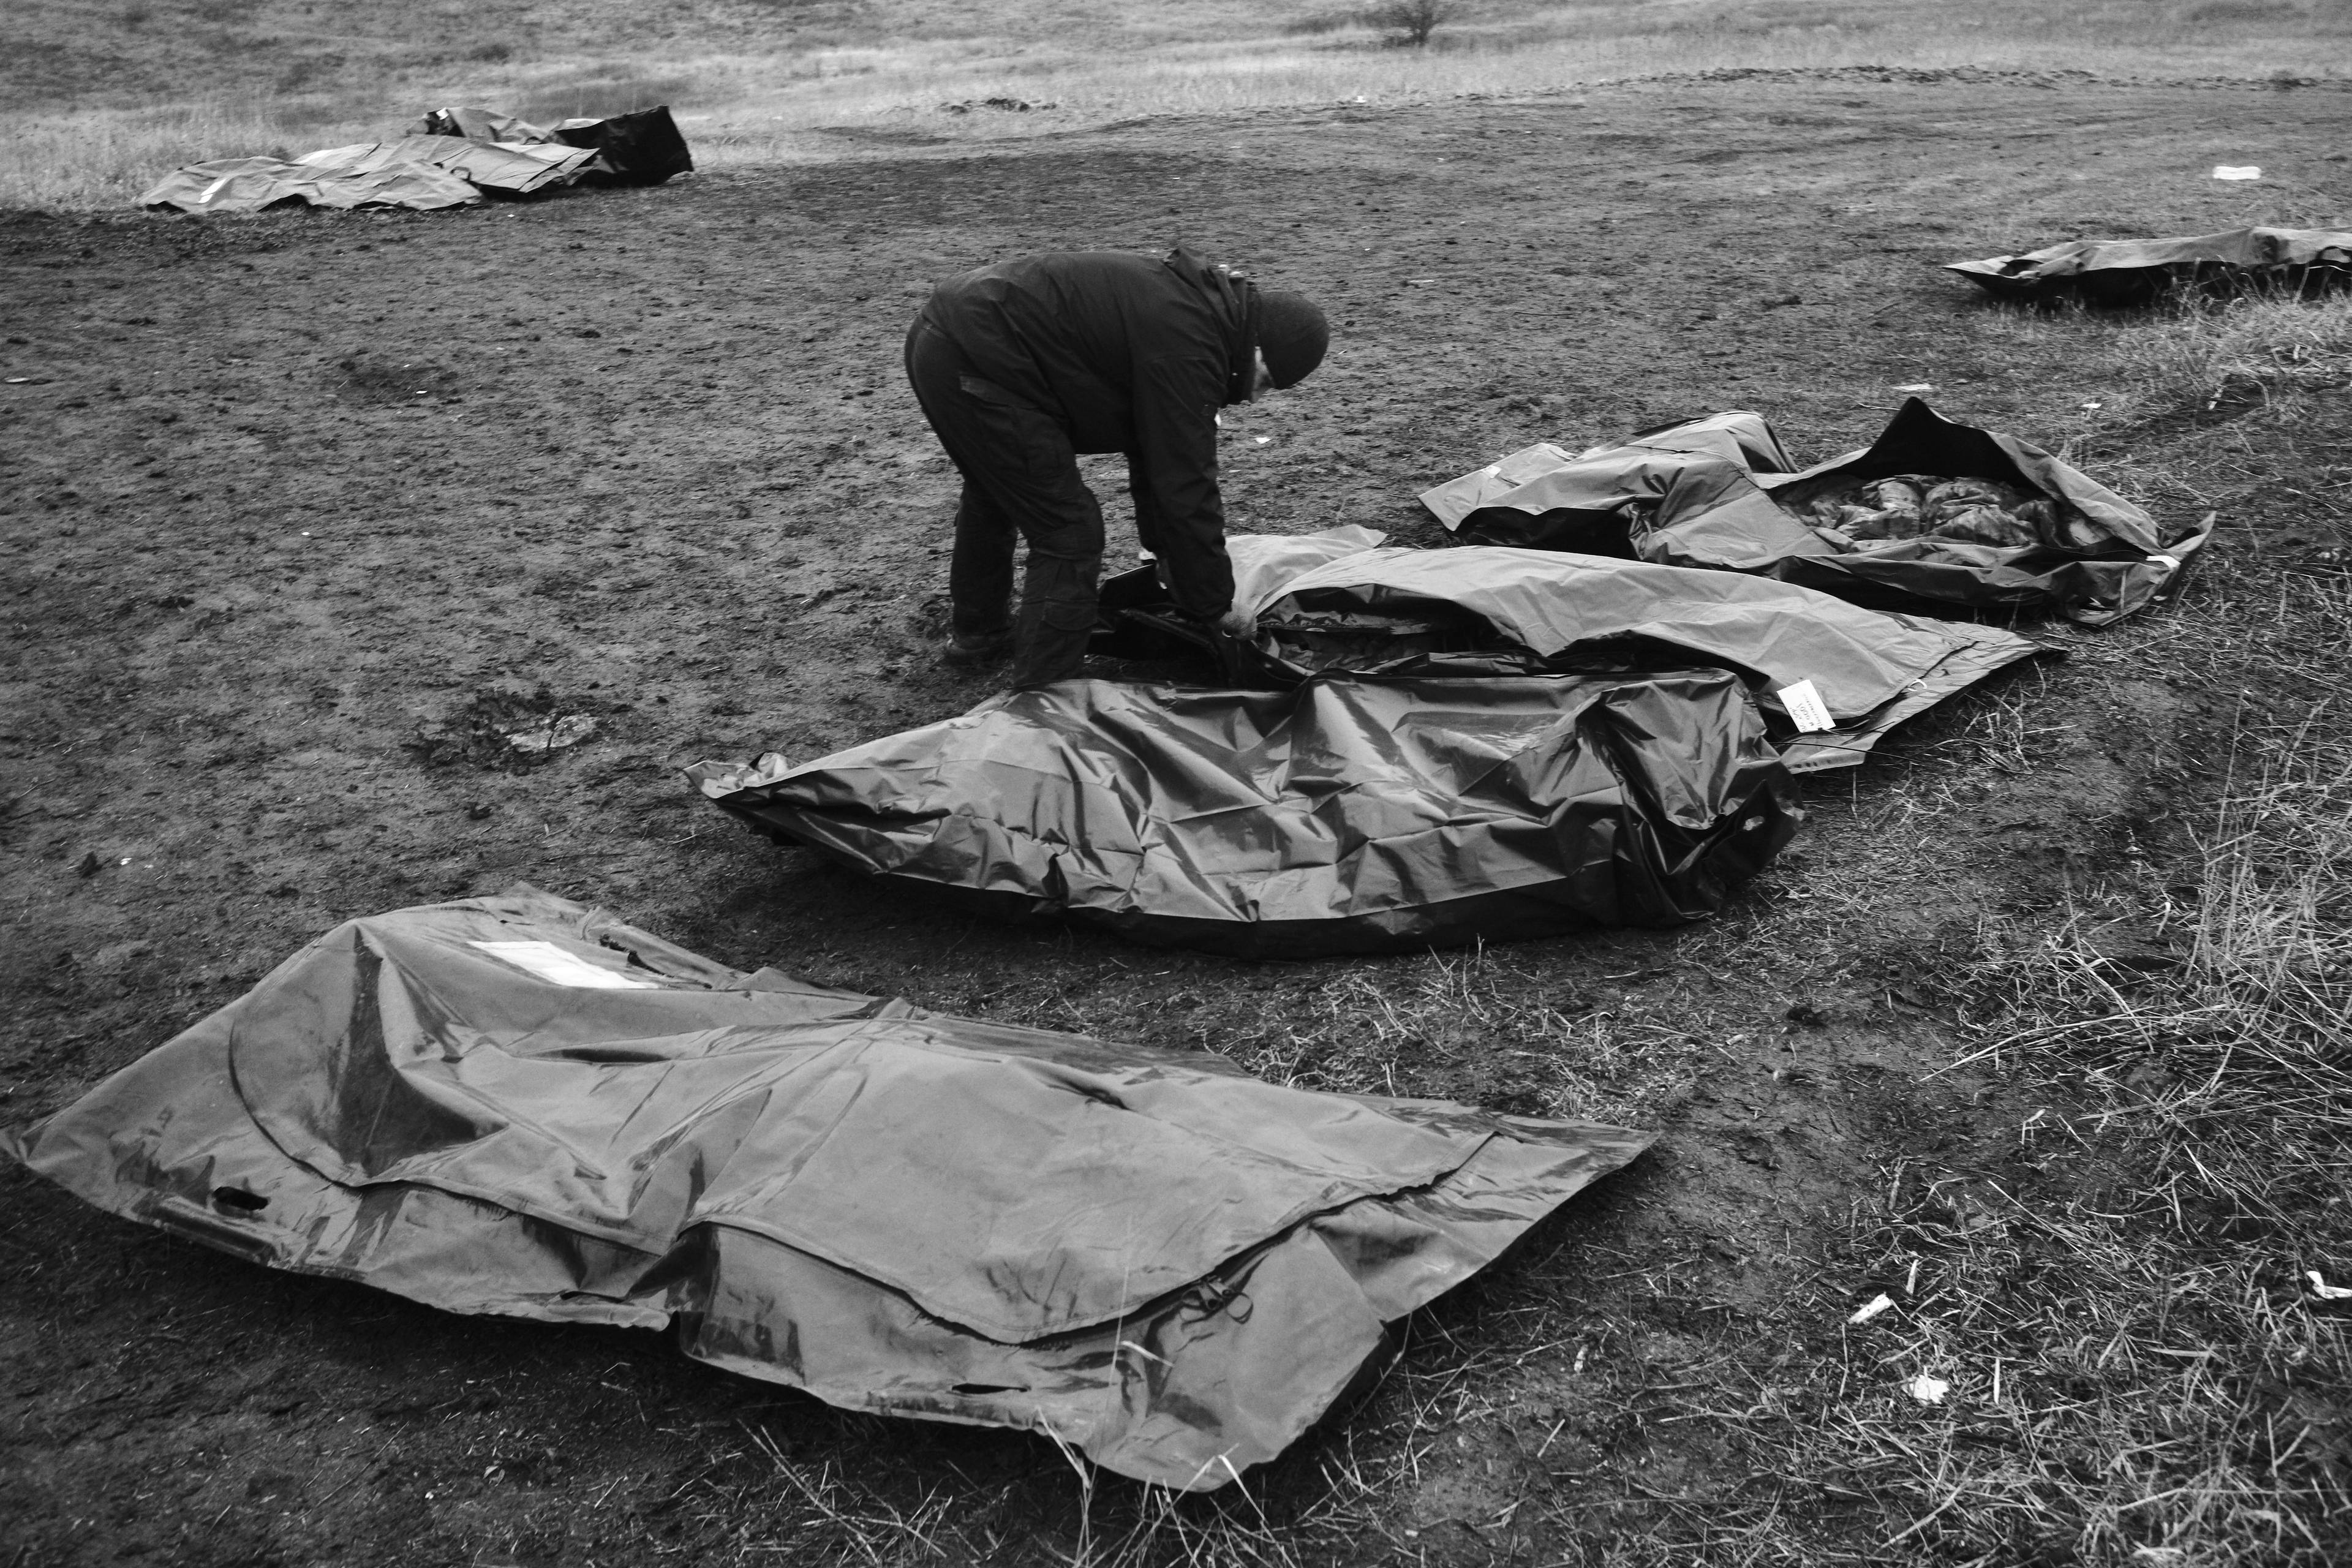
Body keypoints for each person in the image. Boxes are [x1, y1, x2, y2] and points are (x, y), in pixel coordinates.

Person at [903, 248, 1329, 688]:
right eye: (1263, 381)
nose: (1254, 397)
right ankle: (1047, 695)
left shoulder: (1200, 313)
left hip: (947, 335)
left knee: (995, 492)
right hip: (979, 358)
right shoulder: (1188, 351)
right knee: (1069, 532)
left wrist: (1165, 553)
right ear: (1257, 348)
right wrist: (1215, 603)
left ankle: (979, 635)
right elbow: (1185, 480)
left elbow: (1155, 454)